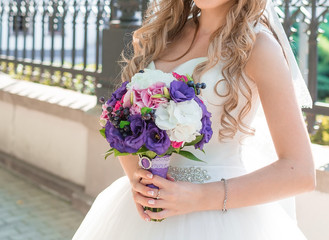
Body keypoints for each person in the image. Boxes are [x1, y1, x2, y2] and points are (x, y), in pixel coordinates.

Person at [72, 0, 316, 239]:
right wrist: (137, 178)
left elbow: (299, 172)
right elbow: (121, 118)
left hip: (222, 219)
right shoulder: (160, 36)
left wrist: (199, 197)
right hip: (145, 212)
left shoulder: (258, 47)